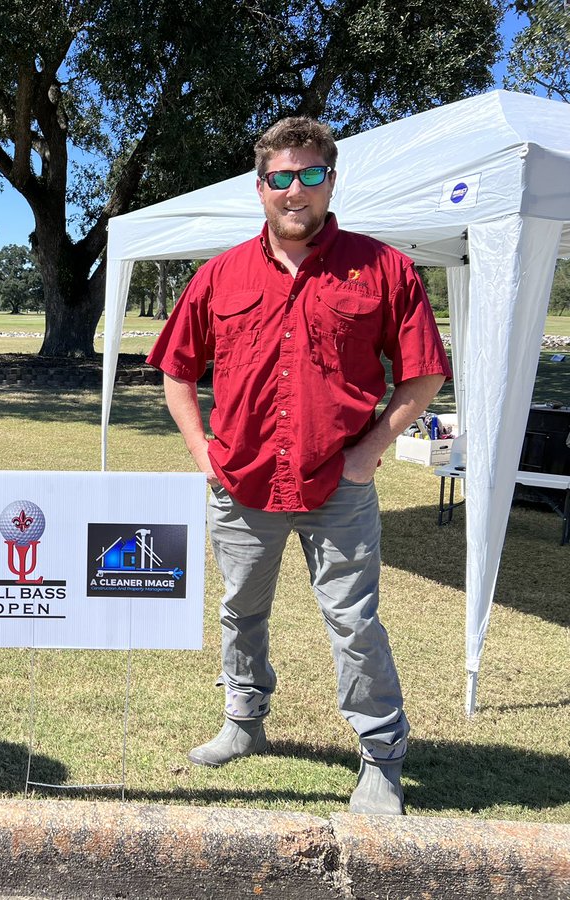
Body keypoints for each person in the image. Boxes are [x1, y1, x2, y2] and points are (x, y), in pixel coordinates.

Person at [146, 118, 451, 815]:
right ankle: (244, 723)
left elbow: (423, 374)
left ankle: (381, 755)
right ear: (260, 188)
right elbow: (176, 371)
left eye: (310, 175)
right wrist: (204, 453)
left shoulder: (384, 268)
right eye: (281, 177)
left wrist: (369, 454)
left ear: (331, 181)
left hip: (336, 486)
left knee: (354, 622)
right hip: (243, 484)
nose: (295, 190)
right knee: (240, 611)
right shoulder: (219, 275)